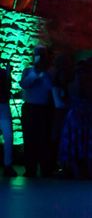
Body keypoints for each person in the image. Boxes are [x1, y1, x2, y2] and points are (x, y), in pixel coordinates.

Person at [19, 45, 54, 177]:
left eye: (42, 54)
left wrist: (43, 73)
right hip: (30, 108)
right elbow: (24, 84)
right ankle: (30, 169)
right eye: (37, 54)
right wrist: (35, 73)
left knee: (44, 139)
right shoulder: (28, 71)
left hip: (44, 109)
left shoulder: (50, 72)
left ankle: (46, 169)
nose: (39, 56)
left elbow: (50, 88)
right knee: (29, 139)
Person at [0, 59, 17, 177]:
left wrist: (7, 73)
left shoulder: (2, 72)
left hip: (3, 106)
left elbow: (8, 88)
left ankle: (8, 165)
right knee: (8, 136)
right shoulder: (2, 72)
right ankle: (7, 165)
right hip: (3, 106)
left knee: (9, 136)